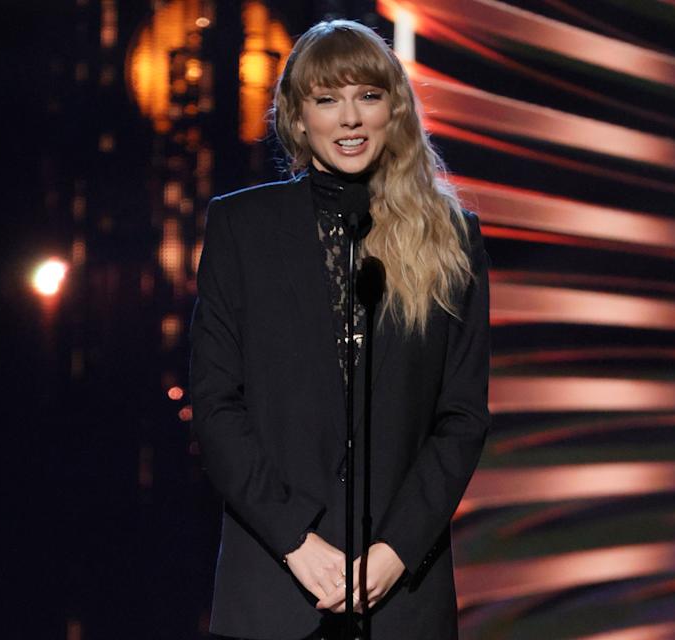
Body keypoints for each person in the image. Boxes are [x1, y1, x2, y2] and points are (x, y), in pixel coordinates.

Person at [190, 19, 490, 640]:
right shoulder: (242, 227)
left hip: (403, 598)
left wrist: (396, 550)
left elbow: (461, 416)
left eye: (368, 96)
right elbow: (217, 404)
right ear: (298, 118)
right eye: (327, 99)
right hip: (272, 592)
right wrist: (295, 540)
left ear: (394, 109)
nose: (350, 118)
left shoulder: (451, 235)